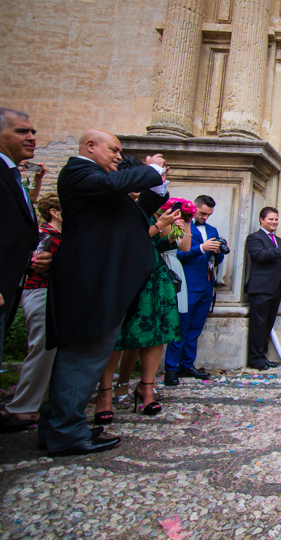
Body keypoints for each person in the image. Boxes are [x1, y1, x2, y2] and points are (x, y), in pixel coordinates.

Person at [42, 129, 167, 457]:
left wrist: (156, 182)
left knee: (88, 352)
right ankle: (66, 431)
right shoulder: (79, 171)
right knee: (84, 353)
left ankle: (56, 424)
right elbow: (117, 184)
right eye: (113, 150)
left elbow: (138, 211)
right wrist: (148, 168)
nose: (117, 157)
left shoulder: (101, 184)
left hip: (102, 280)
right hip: (91, 281)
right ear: (90, 147)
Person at [94, 204, 190, 421]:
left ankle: (146, 389)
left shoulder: (152, 211)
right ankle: (105, 394)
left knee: (154, 333)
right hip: (122, 272)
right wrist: (159, 225)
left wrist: (178, 226)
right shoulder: (117, 208)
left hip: (154, 275)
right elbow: (126, 241)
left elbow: (164, 245)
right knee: (116, 334)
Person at [0, 108, 50, 433]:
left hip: (10, 284)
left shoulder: (13, 174)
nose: (31, 137)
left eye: (32, 131)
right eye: (21, 131)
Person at [4, 193, 62, 422]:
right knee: (40, 347)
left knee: (49, 350)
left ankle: (43, 400)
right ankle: (22, 406)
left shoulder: (59, 235)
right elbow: (36, 265)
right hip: (39, 291)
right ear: (54, 212)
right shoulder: (44, 235)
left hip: (52, 293)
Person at [166, 195, 223, 386]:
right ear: (195, 208)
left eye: (208, 215)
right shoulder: (180, 225)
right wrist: (201, 248)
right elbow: (176, 253)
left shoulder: (212, 230)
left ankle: (187, 364)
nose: (205, 217)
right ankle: (171, 368)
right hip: (187, 284)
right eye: (202, 213)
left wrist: (218, 250)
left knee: (195, 328)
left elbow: (216, 259)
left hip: (207, 284)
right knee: (180, 327)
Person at [245, 207, 281, 371]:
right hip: (260, 288)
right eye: (271, 219)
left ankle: (263, 356)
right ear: (261, 220)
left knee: (267, 324)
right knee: (258, 324)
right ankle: (255, 359)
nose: (274, 222)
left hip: (275, 288)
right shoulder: (254, 238)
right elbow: (260, 256)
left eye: (276, 219)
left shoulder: (278, 240)